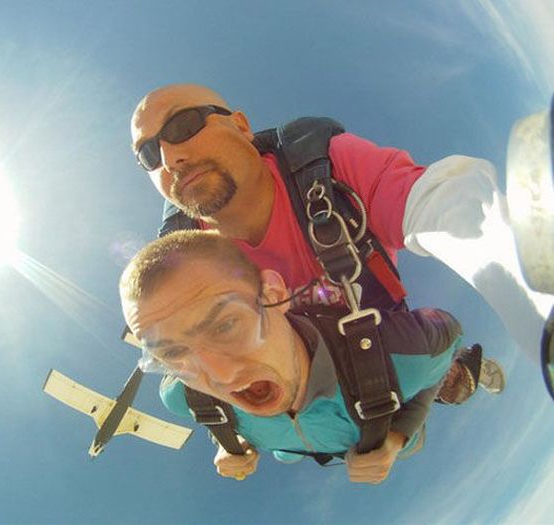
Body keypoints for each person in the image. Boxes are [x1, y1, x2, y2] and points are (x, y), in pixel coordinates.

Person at [130, 83, 513, 397]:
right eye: (148, 154)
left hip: (377, 333)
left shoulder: (325, 168)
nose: (169, 158)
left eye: (183, 126)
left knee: (425, 369)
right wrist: (229, 435)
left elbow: (441, 203)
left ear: (241, 126)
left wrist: (520, 266)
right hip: (300, 367)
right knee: (178, 395)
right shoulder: (178, 261)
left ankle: (455, 366)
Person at [120, 230, 466, 484]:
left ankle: (462, 376)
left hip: (380, 405)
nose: (222, 377)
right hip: (298, 445)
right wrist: (225, 436)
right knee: (285, 456)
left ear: (273, 294)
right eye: (172, 352)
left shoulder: (405, 351)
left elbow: (449, 334)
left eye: (225, 325)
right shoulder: (186, 396)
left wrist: (399, 435)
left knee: (423, 420)